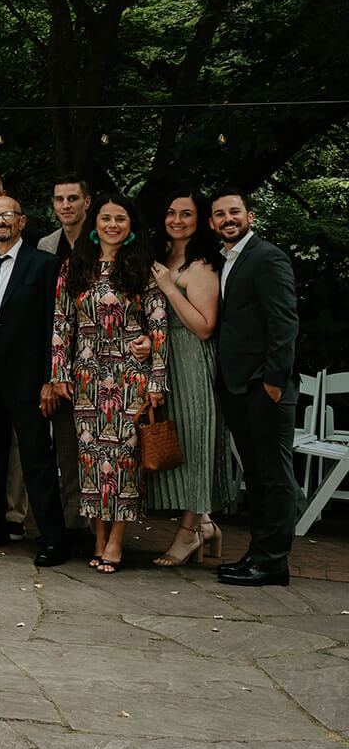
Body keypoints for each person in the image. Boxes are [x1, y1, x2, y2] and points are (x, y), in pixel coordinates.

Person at [50, 194, 168, 574]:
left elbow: (159, 327)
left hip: (129, 375)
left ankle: (117, 539)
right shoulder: (75, 265)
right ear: (94, 223)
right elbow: (61, 322)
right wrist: (58, 373)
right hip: (85, 374)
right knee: (90, 460)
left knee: (123, 461)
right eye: (106, 218)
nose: (112, 225)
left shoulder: (143, 268)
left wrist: (157, 380)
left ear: (131, 225)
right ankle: (98, 539)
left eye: (120, 218)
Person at [0, 196, 69, 566]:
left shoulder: (44, 265)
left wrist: (49, 379)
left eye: (7, 215)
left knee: (36, 456)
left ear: (22, 222)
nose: (0, 222)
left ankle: (53, 538)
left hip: (25, 374)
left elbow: (52, 325)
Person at [210, 189, 300, 588]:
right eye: (219, 214)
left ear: (249, 215)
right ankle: (259, 554)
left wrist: (274, 382)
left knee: (275, 477)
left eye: (234, 212)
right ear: (212, 223)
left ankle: (274, 561)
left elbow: (284, 322)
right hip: (237, 386)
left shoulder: (267, 257)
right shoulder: (227, 260)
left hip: (265, 387)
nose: (228, 219)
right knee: (258, 476)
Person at [144, 190, 235, 566]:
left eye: (186, 213)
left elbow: (203, 326)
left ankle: (188, 534)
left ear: (201, 221)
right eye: (170, 212)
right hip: (161, 361)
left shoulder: (203, 264)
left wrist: (169, 287)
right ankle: (206, 525)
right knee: (173, 442)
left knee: (195, 444)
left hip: (192, 361)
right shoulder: (162, 258)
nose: (177, 219)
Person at [38, 173, 92, 533]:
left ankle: (95, 525)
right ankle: (71, 524)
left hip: (99, 361)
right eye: (60, 199)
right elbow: (44, 313)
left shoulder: (102, 240)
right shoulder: (46, 245)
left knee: (96, 448)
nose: (66, 206)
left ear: (87, 202)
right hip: (57, 362)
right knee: (66, 448)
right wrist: (50, 373)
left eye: (73, 198)